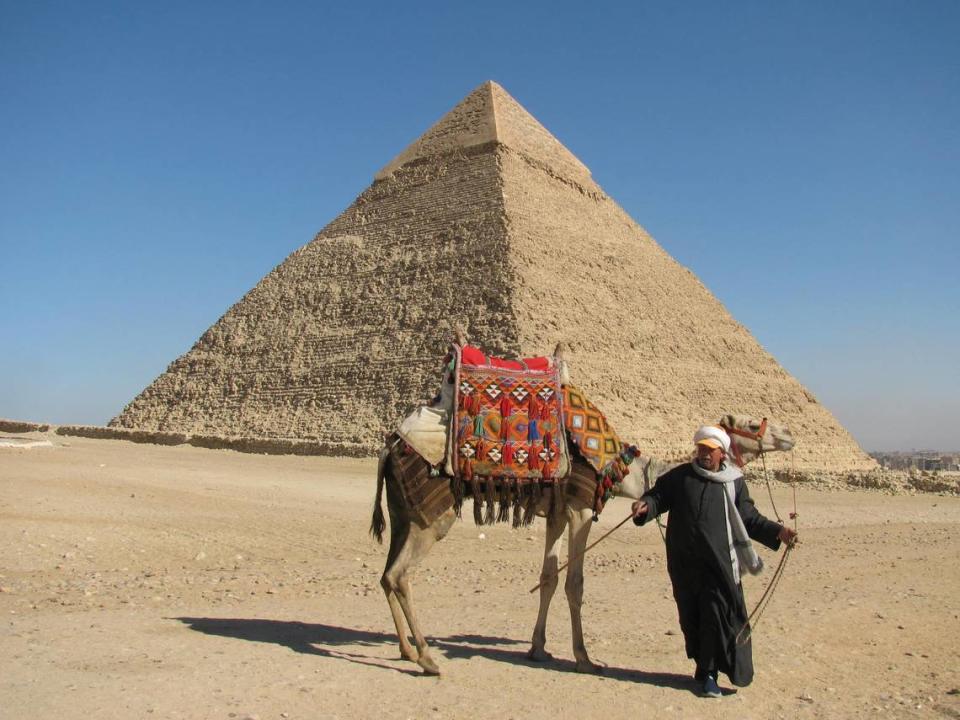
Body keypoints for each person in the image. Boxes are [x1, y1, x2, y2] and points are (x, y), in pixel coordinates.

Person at [632, 425, 797, 698]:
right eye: (702, 448)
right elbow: (659, 497)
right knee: (691, 617)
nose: (705, 454)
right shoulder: (681, 477)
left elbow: (749, 518)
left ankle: (709, 673)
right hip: (684, 564)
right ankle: (702, 664)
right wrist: (645, 506)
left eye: (710, 450)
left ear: (722, 453)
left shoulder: (734, 482)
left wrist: (778, 532)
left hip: (718, 564)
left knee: (715, 615)